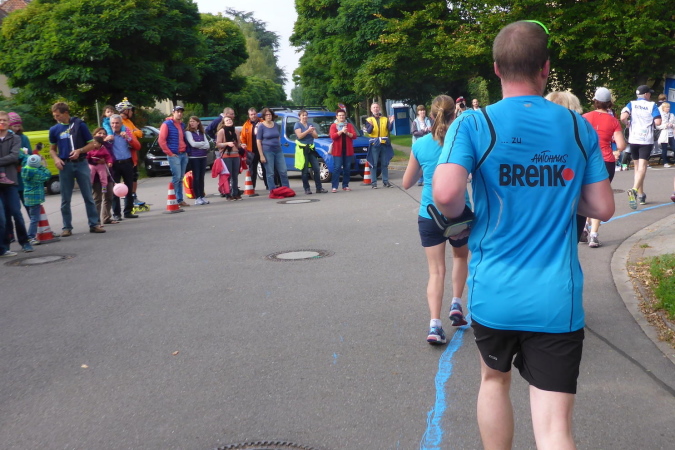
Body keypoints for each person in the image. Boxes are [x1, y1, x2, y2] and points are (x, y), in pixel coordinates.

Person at [432, 21, 614, 449]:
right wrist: (557, 194)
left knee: (493, 381)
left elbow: (445, 194)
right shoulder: (577, 126)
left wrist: (461, 219)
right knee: (554, 429)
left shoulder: (474, 123)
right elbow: (603, 207)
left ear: (497, 68)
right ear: (545, 68)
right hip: (555, 297)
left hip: (494, 289)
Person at [402, 95, 469, 345]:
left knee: (436, 271)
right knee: (460, 257)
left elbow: (407, 182)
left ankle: (434, 325)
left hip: (429, 213)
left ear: (430, 116)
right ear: (454, 115)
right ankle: (456, 305)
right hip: (459, 212)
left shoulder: (420, 144)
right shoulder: (462, 142)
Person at [48, 102, 105, 235]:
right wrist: (56, 159)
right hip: (65, 164)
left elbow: (91, 144)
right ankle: (66, 227)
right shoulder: (54, 129)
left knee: (88, 195)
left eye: (58, 115)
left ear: (66, 113)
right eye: (54, 116)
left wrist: (79, 151)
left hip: (81, 163)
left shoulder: (80, 125)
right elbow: (52, 149)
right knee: (65, 198)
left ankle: (94, 224)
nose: (56, 118)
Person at [582, 87, 627, 248]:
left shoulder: (584, 118)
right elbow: (621, 145)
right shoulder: (613, 121)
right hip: (606, 161)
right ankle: (594, 235)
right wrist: (614, 147)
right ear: (609, 103)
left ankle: (584, 226)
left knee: (586, 194)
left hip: (587, 160)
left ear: (595, 101)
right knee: (600, 197)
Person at [620, 85, 661, 208]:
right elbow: (658, 122)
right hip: (646, 139)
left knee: (637, 168)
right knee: (643, 167)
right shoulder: (652, 105)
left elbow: (623, 117)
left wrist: (627, 124)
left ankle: (641, 194)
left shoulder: (631, 104)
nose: (650, 95)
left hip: (634, 138)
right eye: (649, 93)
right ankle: (634, 189)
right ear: (646, 94)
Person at [0, 110, 33, 254]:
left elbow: (14, 156)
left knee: (16, 213)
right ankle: (4, 247)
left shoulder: (15, 138)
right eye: (0, 120)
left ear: (9, 123)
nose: (2, 122)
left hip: (11, 182)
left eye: (4, 120)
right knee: (2, 218)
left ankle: (24, 242)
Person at [109, 114, 140, 220]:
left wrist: (128, 138)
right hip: (114, 164)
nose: (115, 125)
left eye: (117, 123)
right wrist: (106, 140)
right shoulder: (109, 135)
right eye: (113, 123)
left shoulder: (127, 132)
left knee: (129, 188)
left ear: (121, 124)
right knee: (115, 189)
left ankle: (128, 211)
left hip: (127, 163)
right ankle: (116, 214)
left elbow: (137, 146)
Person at [159, 106, 189, 207]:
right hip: (174, 154)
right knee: (176, 177)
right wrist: (169, 153)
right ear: (173, 113)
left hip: (183, 153)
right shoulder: (167, 124)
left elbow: (184, 139)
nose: (179, 113)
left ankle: (179, 200)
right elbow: (161, 140)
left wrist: (186, 151)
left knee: (181, 178)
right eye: (177, 112)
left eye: (181, 112)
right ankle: (174, 199)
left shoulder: (182, 125)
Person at [115, 98, 143, 205]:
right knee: (129, 178)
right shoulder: (121, 122)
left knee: (134, 176)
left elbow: (140, 133)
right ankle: (129, 196)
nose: (132, 112)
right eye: (130, 110)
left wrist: (134, 132)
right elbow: (133, 134)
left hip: (133, 151)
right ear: (125, 111)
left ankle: (133, 196)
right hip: (126, 154)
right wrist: (133, 132)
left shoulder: (129, 121)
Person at [257, 108, 290, 190]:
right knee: (270, 172)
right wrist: (261, 155)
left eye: (270, 114)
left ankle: (286, 189)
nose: (269, 116)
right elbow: (258, 141)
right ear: (264, 116)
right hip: (267, 151)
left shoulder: (276, 125)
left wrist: (279, 145)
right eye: (267, 115)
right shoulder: (261, 126)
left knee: (283, 171)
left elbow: (278, 137)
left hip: (278, 150)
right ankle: (272, 190)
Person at [295, 109, 326, 195]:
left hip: (311, 149)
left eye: (306, 115)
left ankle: (319, 188)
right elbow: (300, 136)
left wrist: (312, 131)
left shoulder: (310, 125)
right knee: (305, 170)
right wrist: (308, 131)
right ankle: (307, 188)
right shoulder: (297, 125)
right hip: (302, 150)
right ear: (299, 117)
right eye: (303, 115)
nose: (305, 117)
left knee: (316, 168)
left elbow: (316, 136)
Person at [21, 154, 51, 245]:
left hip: (27, 197)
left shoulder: (24, 169)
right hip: (35, 198)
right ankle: (31, 237)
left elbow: (25, 159)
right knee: (34, 219)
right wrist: (42, 165)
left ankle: (31, 236)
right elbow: (47, 174)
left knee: (33, 217)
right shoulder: (37, 173)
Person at [364, 102, 394, 189]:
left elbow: (390, 129)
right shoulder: (369, 120)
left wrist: (391, 122)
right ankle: (374, 182)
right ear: (371, 109)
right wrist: (371, 126)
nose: (376, 109)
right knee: (374, 163)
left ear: (379, 108)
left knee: (384, 163)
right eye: (374, 107)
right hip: (374, 143)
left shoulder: (385, 119)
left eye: (377, 107)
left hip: (384, 143)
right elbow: (369, 131)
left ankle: (386, 181)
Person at [90, 127, 116, 225]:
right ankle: (96, 221)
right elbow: (87, 158)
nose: (102, 135)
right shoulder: (90, 146)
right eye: (99, 133)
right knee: (97, 198)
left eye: (104, 133)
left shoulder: (108, 146)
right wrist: (96, 161)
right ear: (94, 135)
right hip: (96, 177)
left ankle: (106, 217)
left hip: (107, 175)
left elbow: (112, 157)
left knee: (109, 196)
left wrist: (107, 161)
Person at [328, 109, 356, 192]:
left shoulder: (349, 125)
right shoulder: (333, 126)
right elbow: (333, 136)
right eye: (340, 115)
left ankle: (345, 185)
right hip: (337, 151)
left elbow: (354, 136)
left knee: (347, 168)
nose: (341, 117)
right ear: (337, 116)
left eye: (343, 115)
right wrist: (341, 131)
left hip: (347, 150)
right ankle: (334, 186)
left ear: (345, 116)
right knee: (337, 168)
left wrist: (347, 133)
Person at [185, 116, 211, 205]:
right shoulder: (188, 132)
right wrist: (202, 144)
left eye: (193, 121)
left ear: (198, 123)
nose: (191, 123)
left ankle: (202, 195)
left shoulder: (202, 132)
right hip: (194, 157)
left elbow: (207, 145)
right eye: (190, 121)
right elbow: (193, 144)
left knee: (201, 177)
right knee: (196, 177)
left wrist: (200, 145)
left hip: (203, 156)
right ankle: (197, 197)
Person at [216, 116, 242, 200]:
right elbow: (218, 144)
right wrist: (227, 143)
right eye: (227, 120)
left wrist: (242, 145)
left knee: (235, 175)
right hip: (226, 155)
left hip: (236, 155)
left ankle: (235, 193)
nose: (229, 121)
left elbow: (238, 144)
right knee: (228, 175)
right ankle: (228, 194)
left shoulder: (236, 131)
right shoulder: (221, 131)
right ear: (224, 123)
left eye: (230, 119)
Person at [239, 108, 262, 196]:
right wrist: (243, 144)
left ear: (257, 114)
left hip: (263, 150)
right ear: (249, 115)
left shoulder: (262, 122)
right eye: (251, 114)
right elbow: (242, 137)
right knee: (252, 170)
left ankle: (270, 186)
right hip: (252, 151)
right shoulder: (246, 125)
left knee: (267, 169)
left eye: (254, 114)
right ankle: (252, 188)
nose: (253, 116)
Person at [411, 105, 433, 186]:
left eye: (423, 110)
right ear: (418, 112)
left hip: (428, 143)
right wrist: (423, 131)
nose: (422, 112)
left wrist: (430, 130)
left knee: (427, 162)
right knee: (420, 162)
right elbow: (414, 132)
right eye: (421, 110)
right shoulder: (415, 122)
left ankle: (427, 178)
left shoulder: (428, 120)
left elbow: (432, 129)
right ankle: (420, 179)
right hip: (419, 143)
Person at [656, 102, 674, 168]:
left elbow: (674, 124)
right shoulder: (660, 116)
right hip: (664, 134)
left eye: (668, 107)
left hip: (671, 134)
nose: (668, 109)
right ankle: (665, 162)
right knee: (664, 149)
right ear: (663, 108)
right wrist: (665, 125)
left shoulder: (671, 115)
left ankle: (670, 160)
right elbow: (657, 126)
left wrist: (672, 125)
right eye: (666, 107)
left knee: (674, 147)